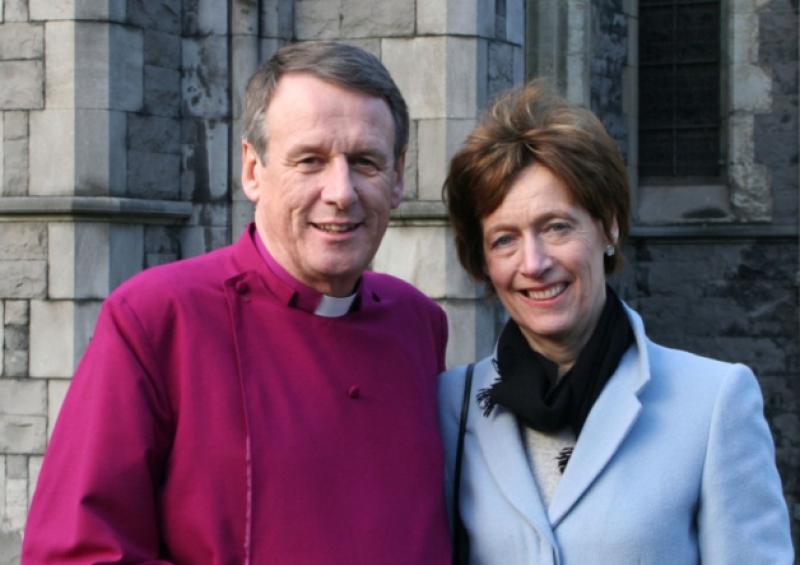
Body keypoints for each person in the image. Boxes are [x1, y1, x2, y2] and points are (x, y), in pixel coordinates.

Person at [23, 41, 451, 564]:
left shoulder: (419, 323)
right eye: (310, 160)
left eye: (365, 162)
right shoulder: (157, 317)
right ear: (253, 169)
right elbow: (77, 552)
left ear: (398, 177)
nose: (341, 192)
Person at [438, 81, 794, 564]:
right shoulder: (451, 408)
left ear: (608, 227)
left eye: (557, 227)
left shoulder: (714, 403)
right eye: (505, 239)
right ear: (482, 261)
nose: (534, 262)